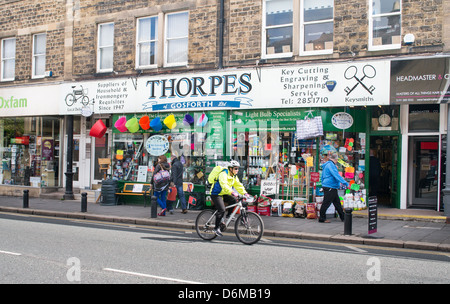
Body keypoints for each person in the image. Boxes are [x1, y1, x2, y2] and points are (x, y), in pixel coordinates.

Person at [210, 160, 248, 236]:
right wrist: (232, 192)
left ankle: (229, 215)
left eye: (238, 168)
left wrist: (245, 193)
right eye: (235, 168)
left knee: (234, 199)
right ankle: (216, 228)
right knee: (222, 209)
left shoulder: (233, 176)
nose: (237, 170)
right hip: (216, 193)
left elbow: (238, 185)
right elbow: (223, 185)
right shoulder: (223, 174)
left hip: (224, 193)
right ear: (230, 168)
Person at [319, 153, 349, 223]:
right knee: (326, 203)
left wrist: (323, 184)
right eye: (337, 160)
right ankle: (322, 218)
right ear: (335, 159)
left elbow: (322, 176)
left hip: (329, 186)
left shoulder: (327, 165)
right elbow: (336, 175)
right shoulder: (331, 165)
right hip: (330, 186)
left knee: (337, 203)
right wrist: (345, 183)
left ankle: (343, 217)